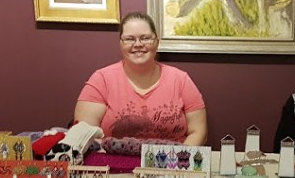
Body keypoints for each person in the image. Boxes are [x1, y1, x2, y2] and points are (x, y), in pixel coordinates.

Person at [74, 12, 208, 146]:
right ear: (121, 44)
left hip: (172, 158)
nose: (138, 44)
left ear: (157, 42)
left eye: (145, 38)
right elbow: (84, 135)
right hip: (112, 158)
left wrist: (179, 157)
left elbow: (198, 132)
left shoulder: (180, 80)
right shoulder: (101, 80)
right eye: (130, 39)